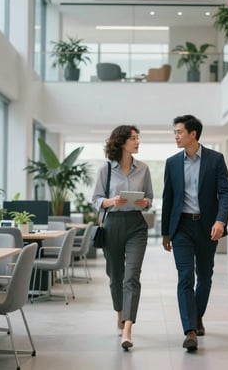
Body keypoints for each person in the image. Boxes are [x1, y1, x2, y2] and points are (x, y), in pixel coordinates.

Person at [161, 115, 228, 352]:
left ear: (193, 134)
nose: (176, 136)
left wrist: (221, 220)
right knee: (185, 277)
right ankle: (190, 330)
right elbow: (168, 198)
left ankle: (196, 315)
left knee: (205, 276)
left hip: (207, 226)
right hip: (181, 227)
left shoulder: (215, 159)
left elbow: (225, 193)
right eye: (175, 132)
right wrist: (165, 232)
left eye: (179, 132)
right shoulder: (172, 163)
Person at [92, 125, 153, 351]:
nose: (137, 142)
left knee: (132, 276)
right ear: (121, 142)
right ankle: (120, 312)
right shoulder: (105, 170)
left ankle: (128, 327)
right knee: (115, 275)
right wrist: (111, 201)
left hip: (137, 225)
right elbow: (96, 199)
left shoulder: (144, 169)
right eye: (133, 138)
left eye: (138, 138)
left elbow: (150, 199)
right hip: (113, 225)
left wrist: (144, 202)